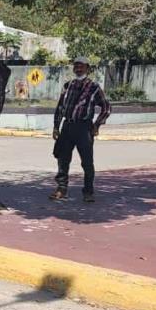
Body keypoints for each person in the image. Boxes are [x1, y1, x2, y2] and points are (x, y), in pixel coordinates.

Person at [51, 56, 112, 203]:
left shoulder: (94, 87)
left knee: (87, 162)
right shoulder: (67, 86)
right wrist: (56, 126)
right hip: (68, 126)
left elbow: (106, 108)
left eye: (82, 66)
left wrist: (97, 125)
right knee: (63, 159)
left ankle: (88, 192)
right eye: (76, 66)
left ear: (87, 68)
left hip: (84, 127)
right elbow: (60, 107)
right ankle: (61, 189)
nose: (78, 69)